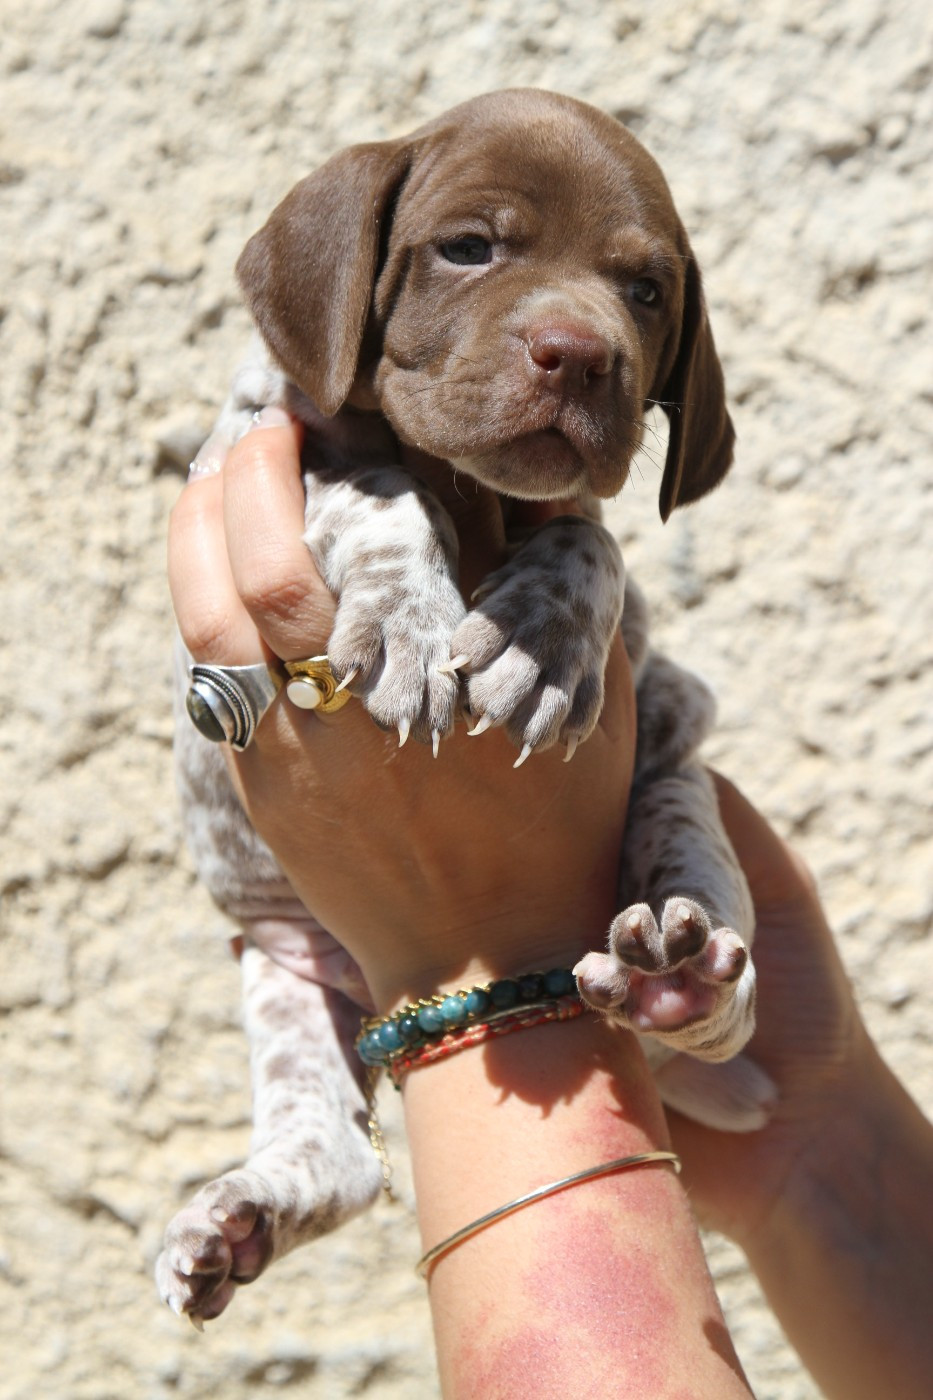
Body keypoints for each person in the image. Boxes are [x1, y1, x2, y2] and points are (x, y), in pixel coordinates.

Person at [168, 410, 933, 1399]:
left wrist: (489, 965)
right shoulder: (294, 388)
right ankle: (308, 1146)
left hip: (594, 920)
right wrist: (814, 1129)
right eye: (468, 246)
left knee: (674, 803)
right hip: (370, 933)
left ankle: (703, 993)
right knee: (284, 959)